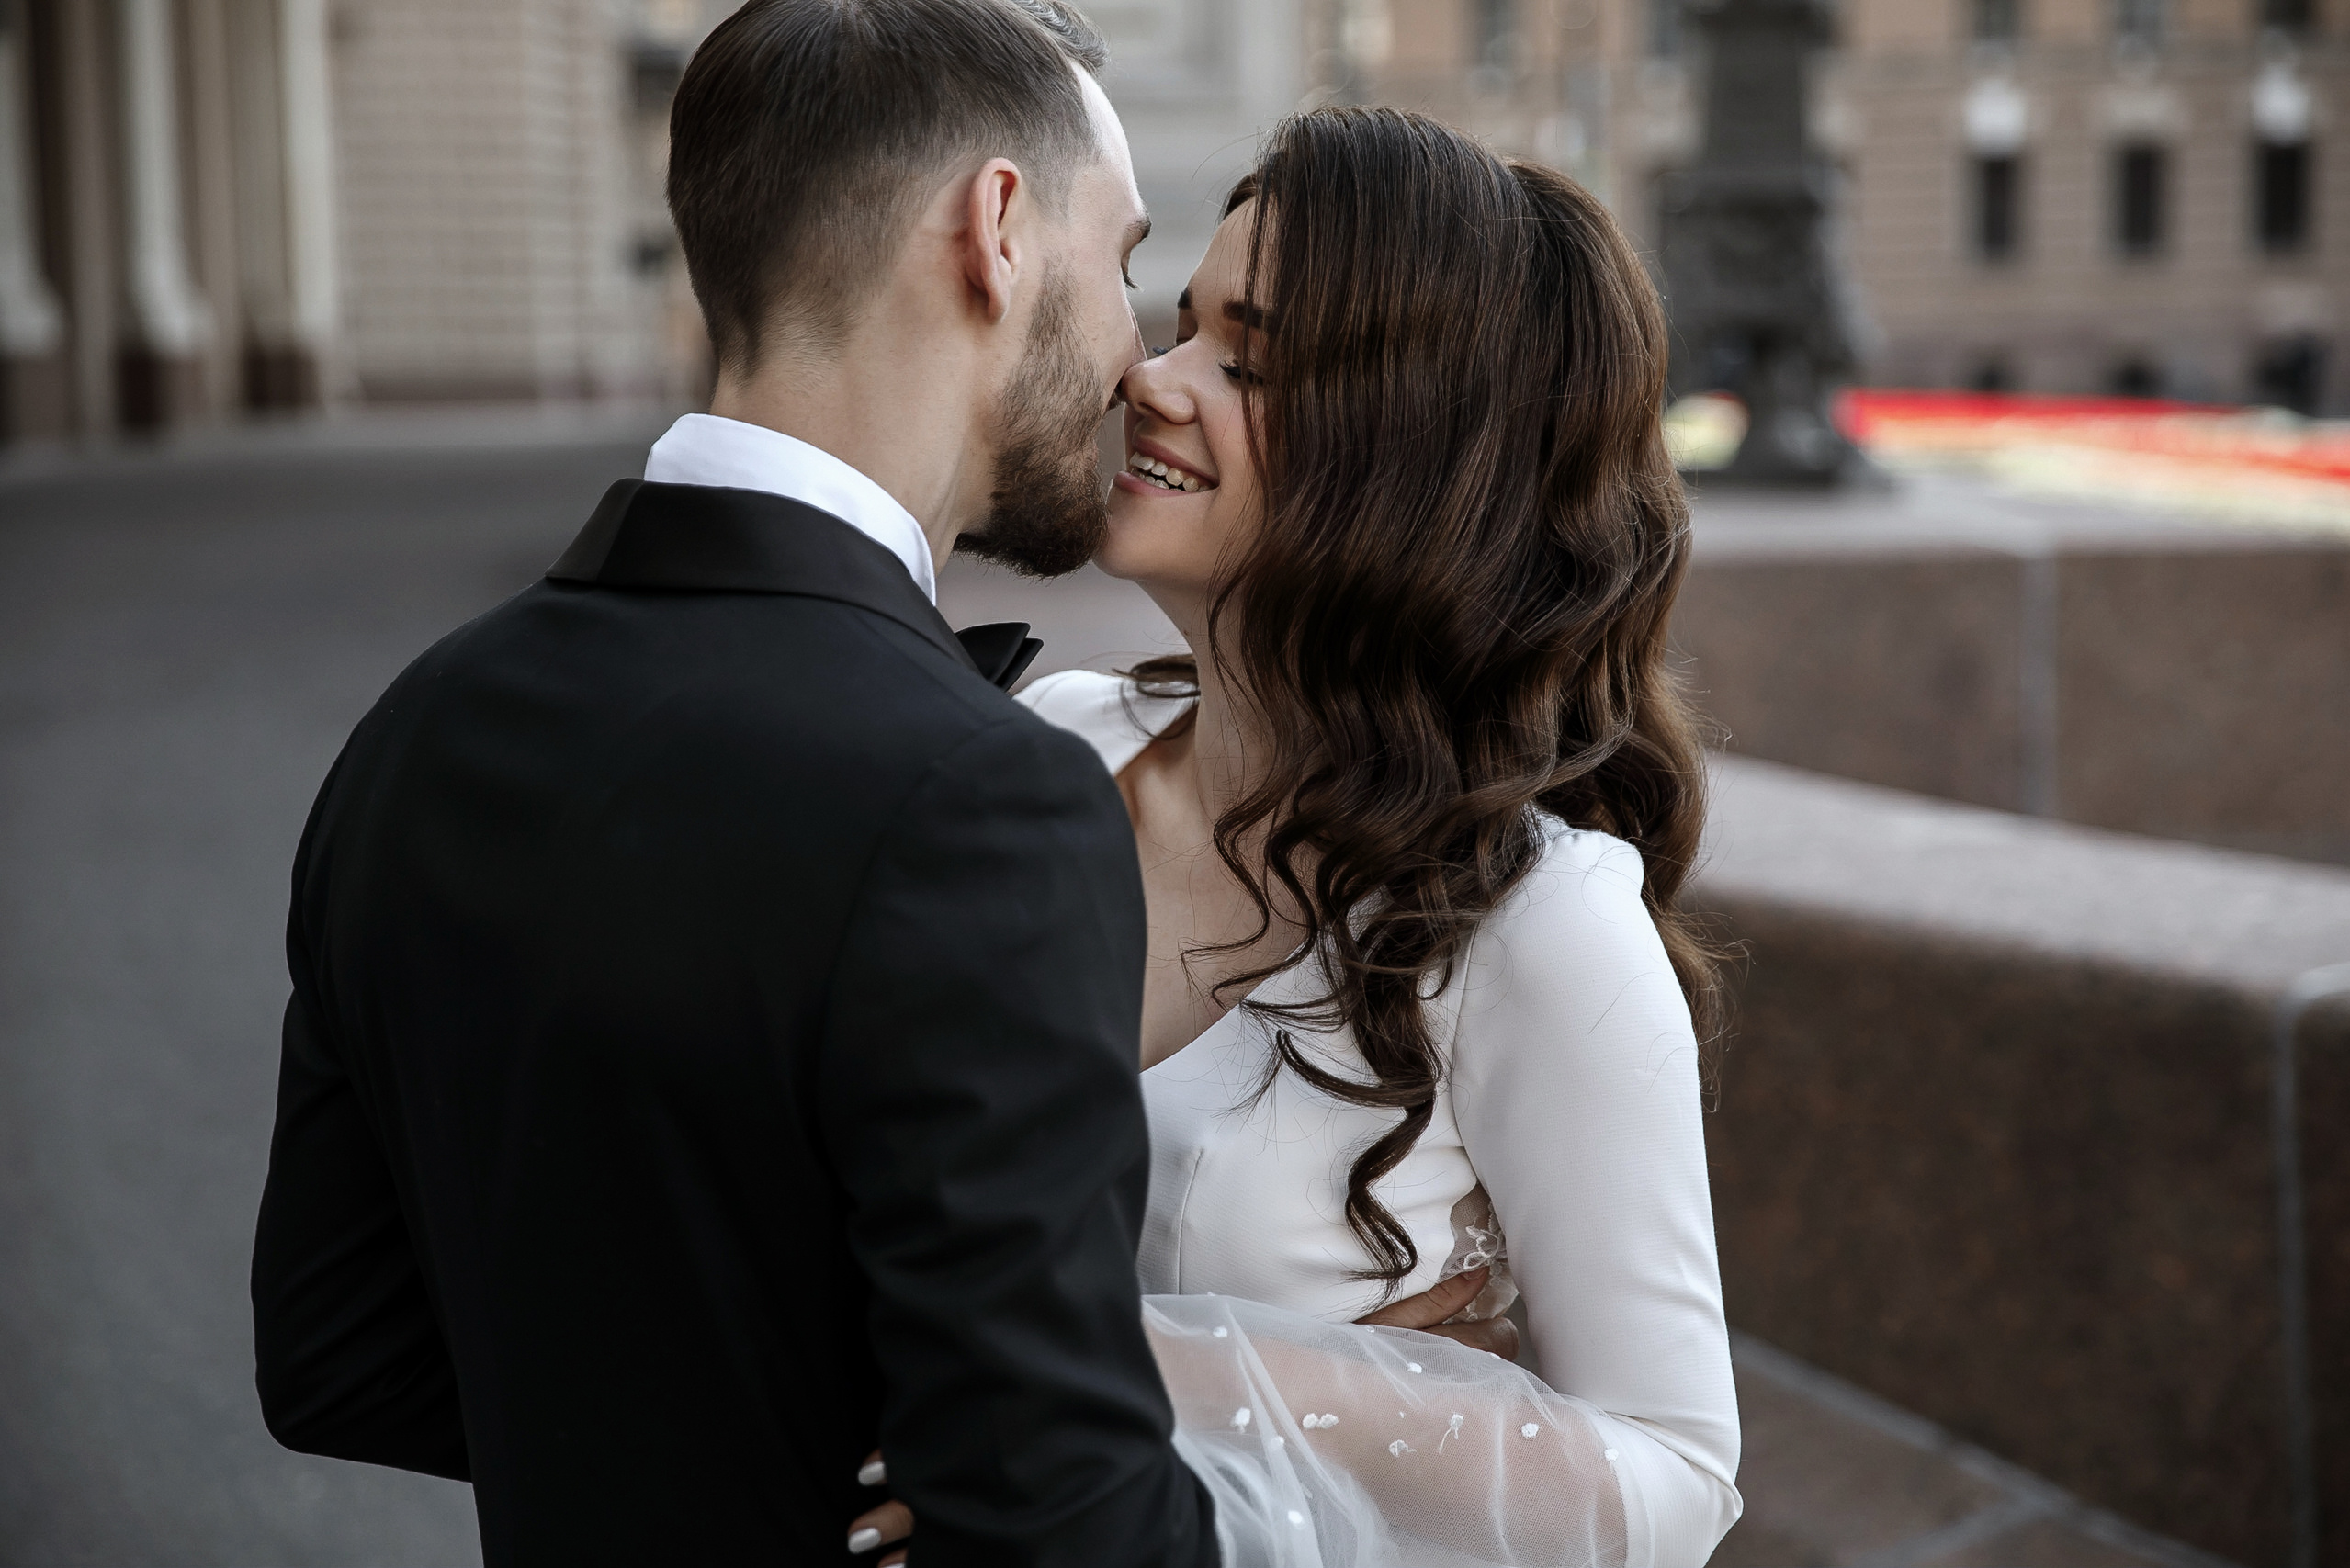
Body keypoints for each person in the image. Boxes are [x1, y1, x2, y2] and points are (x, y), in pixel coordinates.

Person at [248, 2, 1226, 1562]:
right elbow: (1067, 1519)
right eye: (1122, 263)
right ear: (996, 231)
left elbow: (339, 1361)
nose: (1131, 357)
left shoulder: (415, 733)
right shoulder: (983, 804)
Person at [1011, 107, 1746, 1567]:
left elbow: (1675, 1482)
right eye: (1181, 326)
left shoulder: (1538, 928)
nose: (1149, 382)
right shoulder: (1040, 751)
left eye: (1252, 362)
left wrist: (1216, 1372)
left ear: (1414, 465)